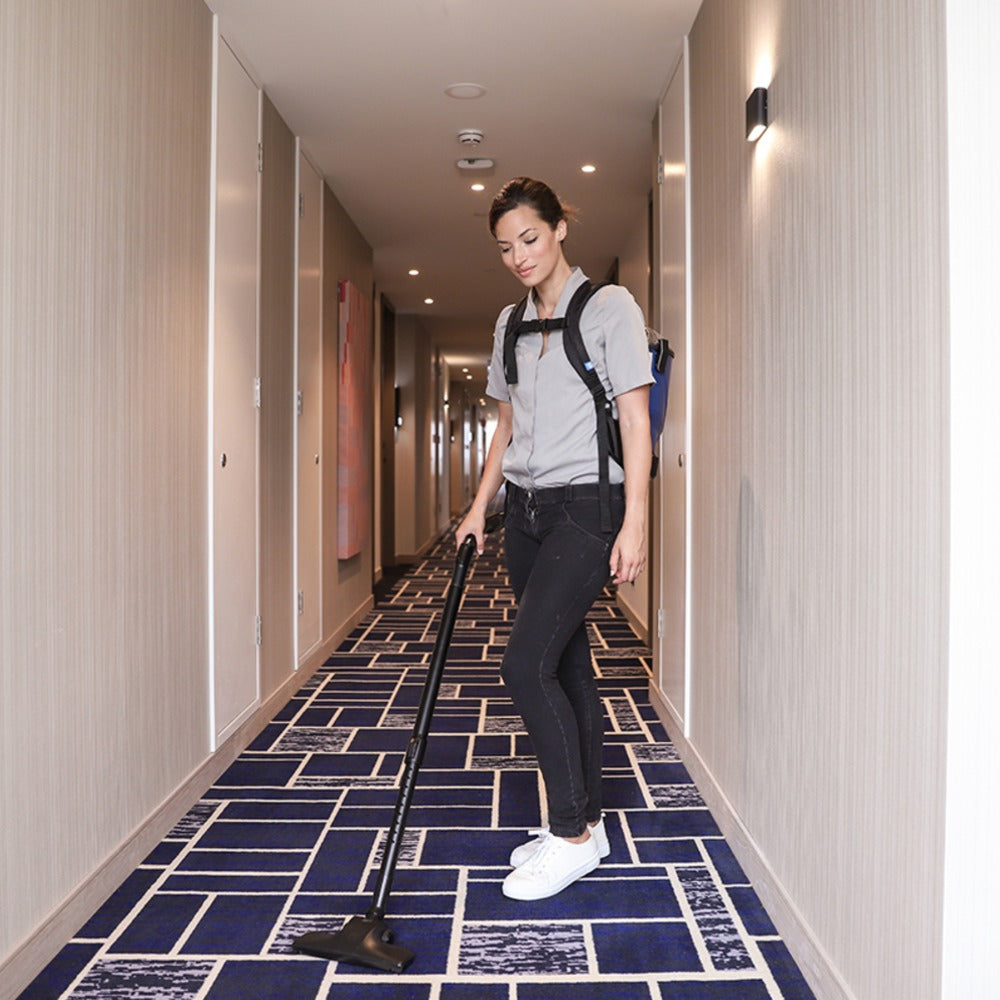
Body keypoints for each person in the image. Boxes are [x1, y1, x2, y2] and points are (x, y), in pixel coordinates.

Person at [455, 177, 652, 901]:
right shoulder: (509, 324)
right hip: (529, 513)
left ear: (560, 228)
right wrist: (480, 508)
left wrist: (634, 522)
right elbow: (505, 427)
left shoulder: (608, 308)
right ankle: (587, 823)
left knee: (522, 666)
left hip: (585, 510)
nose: (519, 256)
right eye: (506, 247)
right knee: (566, 667)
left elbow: (635, 420)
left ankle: (569, 834)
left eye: (530, 238)